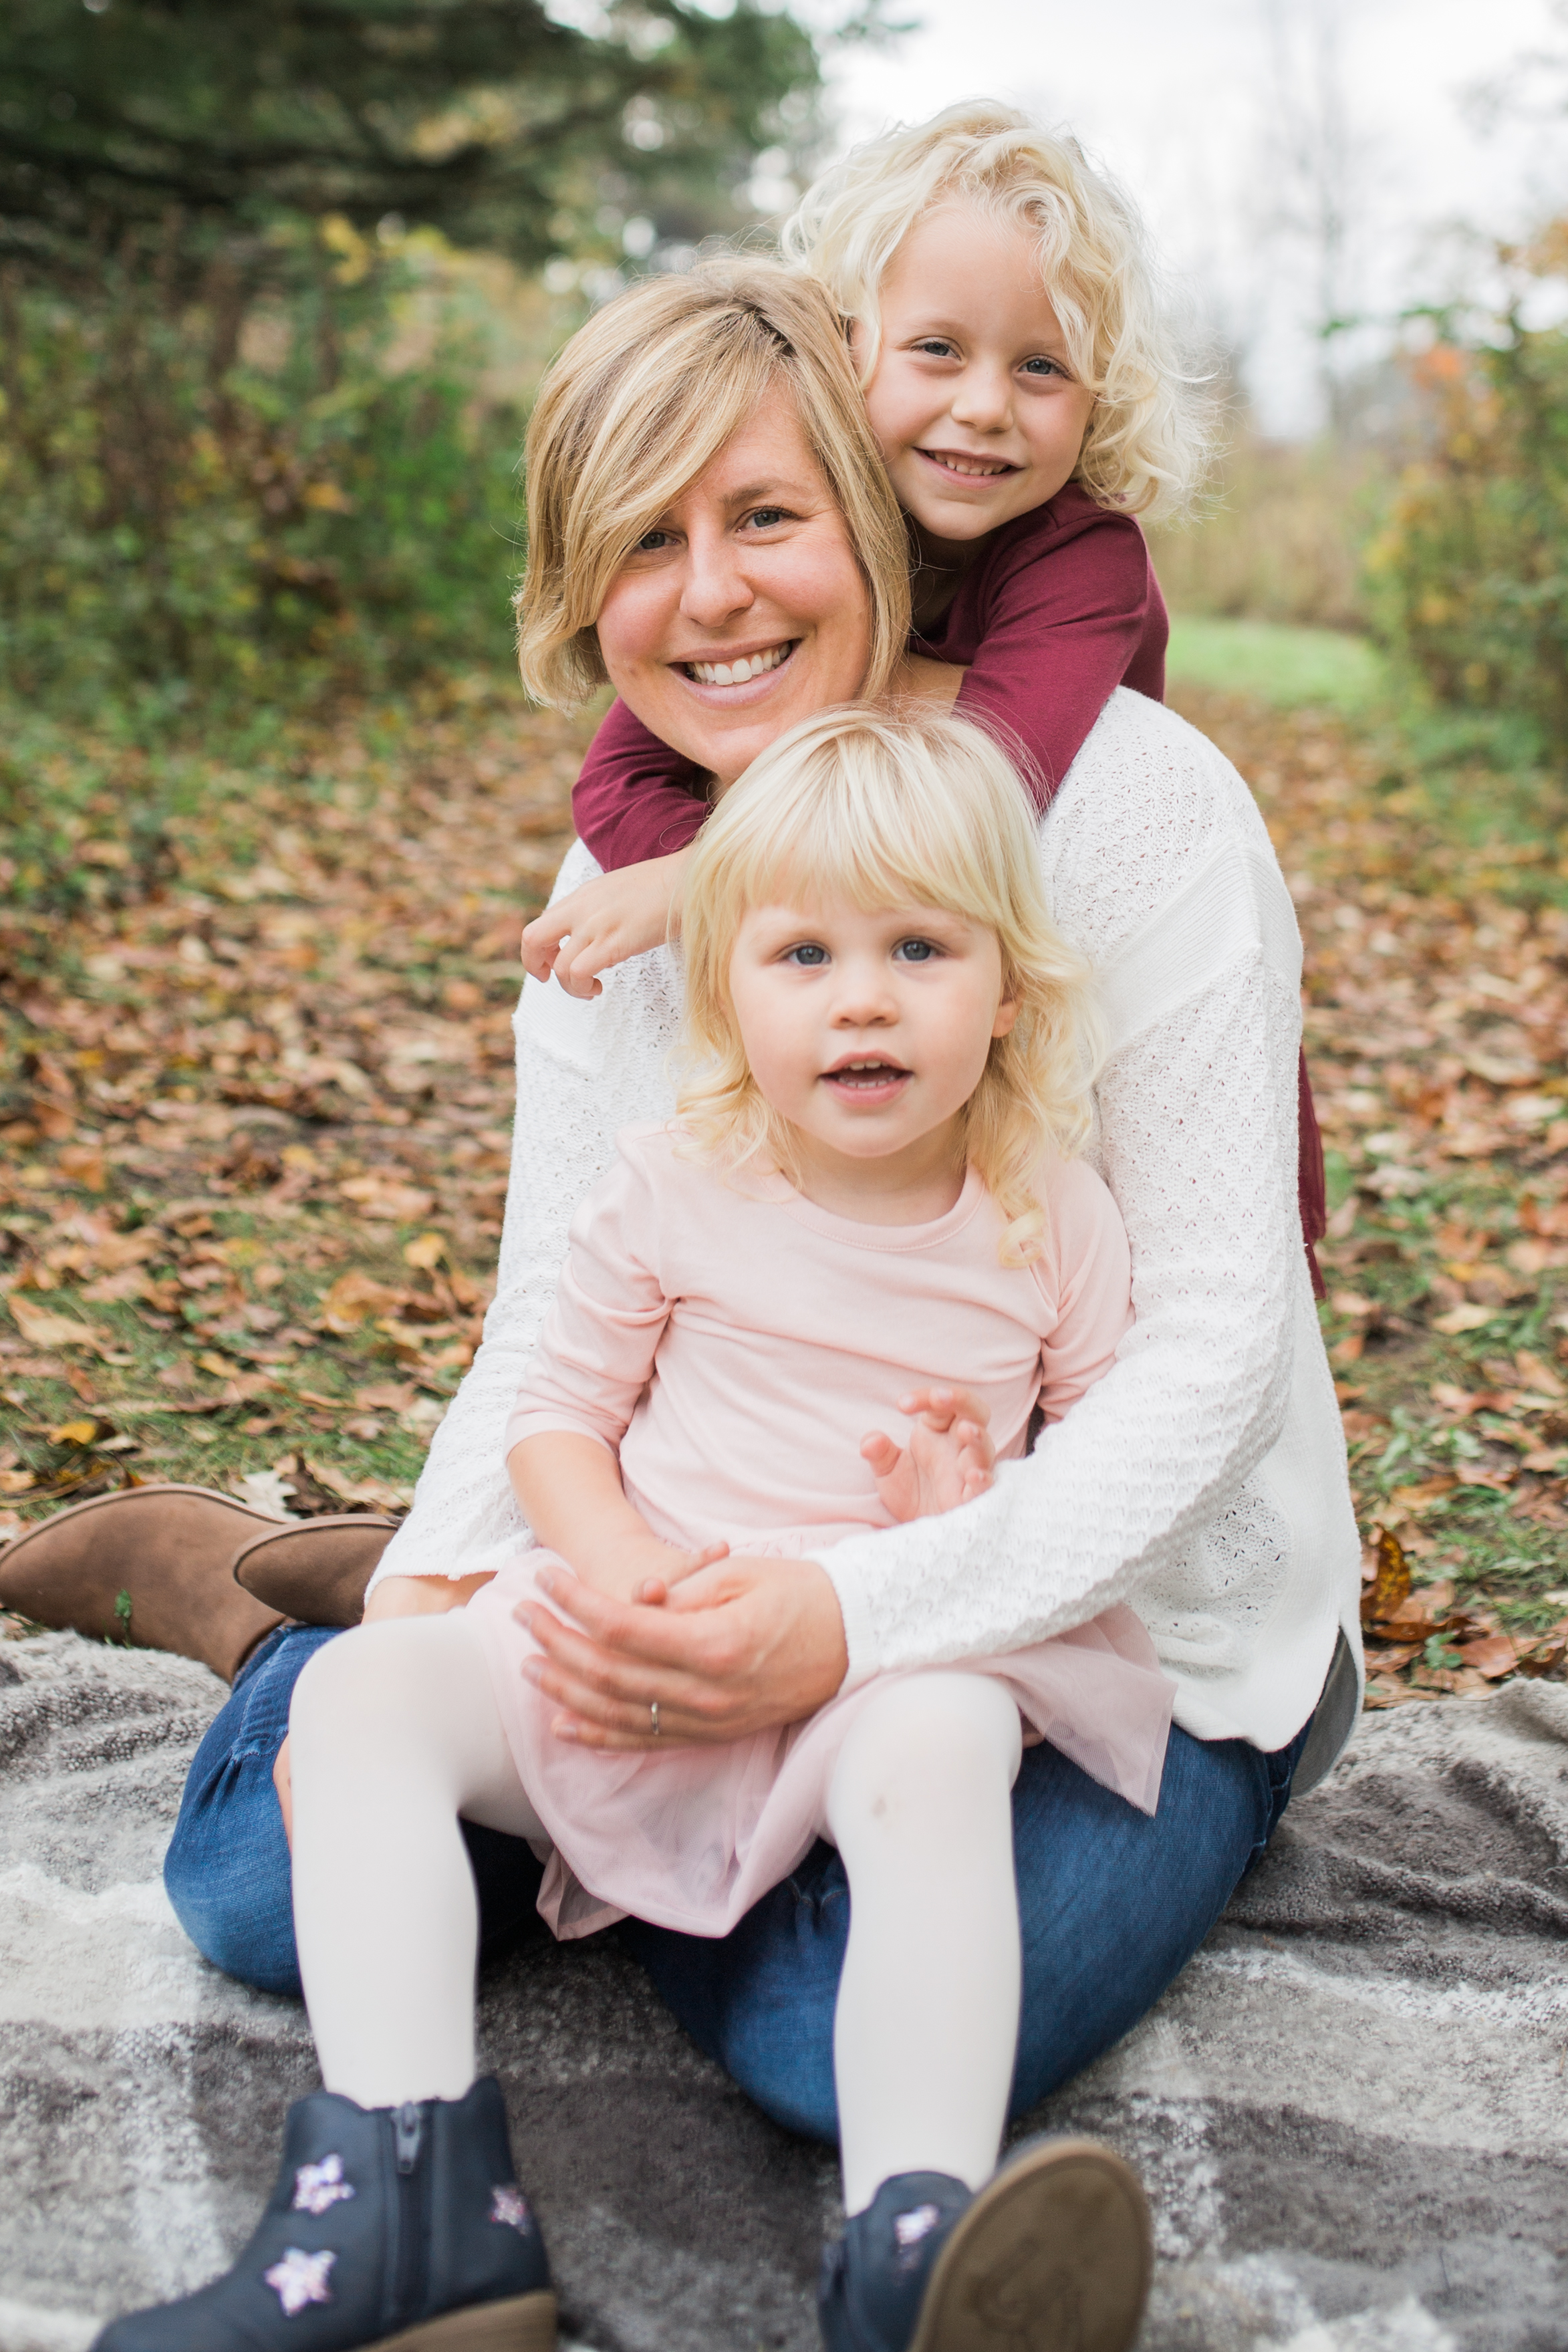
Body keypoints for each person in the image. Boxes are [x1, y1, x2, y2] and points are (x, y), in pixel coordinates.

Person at [41, 245, 1359, 2340]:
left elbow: (1190, 1369)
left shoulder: (1133, 813)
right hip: (673, 1549)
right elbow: (552, 1341)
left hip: (1088, 1600)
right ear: (582, 591)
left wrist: (831, 1630)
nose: (713, 596)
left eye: (763, 518)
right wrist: (533, 1609)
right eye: (642, 543)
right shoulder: (619, 902)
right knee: (268, 1884)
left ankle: (787, 2034)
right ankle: (274, 1613)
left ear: (867, 503)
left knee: (823, 2035)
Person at [99, 708, 1172, 2352]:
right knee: (367, 1700)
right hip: (638, 1626)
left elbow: (1112, 1455)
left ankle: (917, 2232)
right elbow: (557, 1419)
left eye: (920, 948)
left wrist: (980, 1516)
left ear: (1009, 991)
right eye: (803, 951)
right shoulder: (681, 1178)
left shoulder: (1047, 1211)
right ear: (732, 991)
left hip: (878, 1658)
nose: (863, 993)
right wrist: (609, 1572)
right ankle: (411, 2180)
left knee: (947, 1746)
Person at [519, 102, 1193, 997]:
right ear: (844, 350)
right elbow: (616, 781)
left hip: (1101, 929)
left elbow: (973, 790)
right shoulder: (819, 530)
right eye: (936, 349)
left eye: (1042, 366)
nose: (987, 405)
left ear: (1100, 399)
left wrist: (709, 885)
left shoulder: (1083, 556)